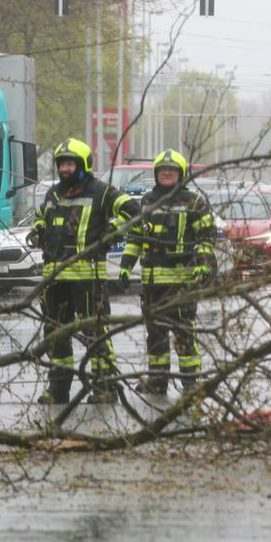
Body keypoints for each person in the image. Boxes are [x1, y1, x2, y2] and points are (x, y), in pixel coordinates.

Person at [31, 138, 139, 404]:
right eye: (62, 164)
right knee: (56, 335)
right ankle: (58, 389)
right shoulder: (53, 193)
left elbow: (133, 211)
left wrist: (113, 228)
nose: (65, 169)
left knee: (96, 333)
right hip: (55, 279)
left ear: (84, 165)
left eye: (70, 164)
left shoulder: (102, 192)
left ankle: (104, 387)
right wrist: (38, 229)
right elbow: (40, 217)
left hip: (89, 279)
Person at [117, 149, 214, 395]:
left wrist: (203, 265)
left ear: (181, 175)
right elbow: (135, 238)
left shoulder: (194, 202)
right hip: (152, 286)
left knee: (184, 335)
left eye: (172, 171)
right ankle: (157, 381)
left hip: (182, 284)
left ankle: (191, 383)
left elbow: (205, 238)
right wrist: (126, 266)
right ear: (156, 174)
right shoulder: (147, 201)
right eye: (163, 171)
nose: (167, 174)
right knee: (155, 336)